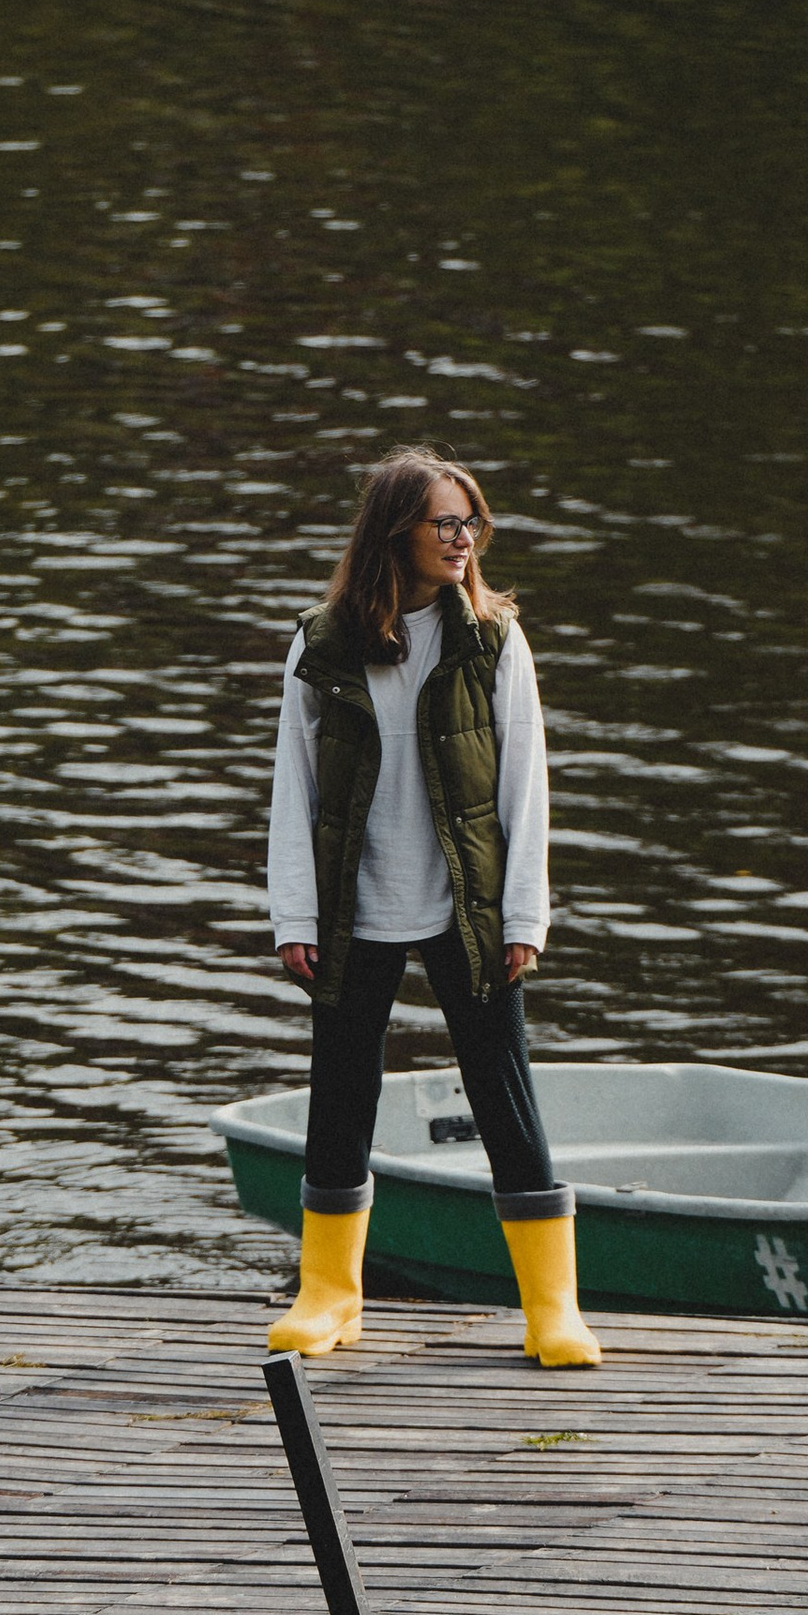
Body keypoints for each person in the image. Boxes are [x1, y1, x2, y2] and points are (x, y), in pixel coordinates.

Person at [264, 446, 599, 1369]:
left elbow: (527, 784)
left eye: (471, 523)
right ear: (395, 532)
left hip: (468, 900)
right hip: (352, 901)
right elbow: (293, 789)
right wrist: (294, 915)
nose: (463, 540)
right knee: (341, 1091)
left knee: (504, 1091)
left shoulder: (493, 638)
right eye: (445, 523)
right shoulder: (321, 643)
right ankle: (331, 1296)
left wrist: (524, 915)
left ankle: (552, 1306)